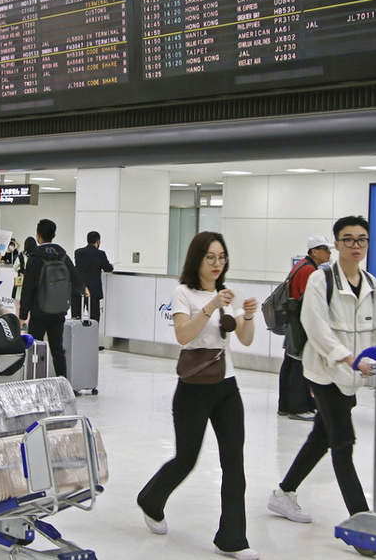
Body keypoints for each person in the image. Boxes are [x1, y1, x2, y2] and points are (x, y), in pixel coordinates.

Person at [268, 215, 376, 524]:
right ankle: (361, 517)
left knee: (321, 437)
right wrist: (346, 357)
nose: (356, 245)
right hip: (325, 371)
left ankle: (283, 494)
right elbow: (315, 326)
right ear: (336, 244)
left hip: (352, 375)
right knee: (343, 441)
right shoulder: (320, 280)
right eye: (348, 239)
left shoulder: (370, 283)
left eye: (361, 239)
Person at [137, 231, 260, 560]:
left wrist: (247, 315)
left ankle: (232, 537)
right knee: (186, 459)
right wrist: (209, 306)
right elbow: (183, 335)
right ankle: (151, 499)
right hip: (193, 388)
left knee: (234, 462)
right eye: (211, 257)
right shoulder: (183, 293)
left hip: (227, 387)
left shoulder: (224, 294)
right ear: (197, 260)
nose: (218, 263)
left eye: (222, 257)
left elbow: (244, 340)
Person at [19, 219, 84, 378]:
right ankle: (63, 382)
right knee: (57, 349)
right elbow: (76, 279)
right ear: (54, 235)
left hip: (38, 310)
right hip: (58, 311)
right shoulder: (62, 256)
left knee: (35, 347)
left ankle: (34, 381)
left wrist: (23, 314)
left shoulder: (34, 258)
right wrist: (81, 291)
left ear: (38, 236)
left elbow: (28, 287)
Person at [277, 235, 332, 421]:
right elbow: (311, 300)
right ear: (314, 251)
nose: (329, 253)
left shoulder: (300, 266)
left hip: (292, 321)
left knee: (290, 363)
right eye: (325, 249)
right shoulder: (309, 270)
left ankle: (285, 406)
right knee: (300, 363)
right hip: (300, 323)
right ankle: (297, 407)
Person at [72, 231, 114, 325]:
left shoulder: (78, 252)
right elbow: (108, 268)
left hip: (79, 288)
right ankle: (91, 337)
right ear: (98, 241)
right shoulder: (100, 254)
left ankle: (76, 337)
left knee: (76, 317)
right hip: (93, 290)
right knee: (94, 318)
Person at [12, 236, 36, 300]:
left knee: (19, 306)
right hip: (34, 285)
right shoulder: (37, 257)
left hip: (21, 284)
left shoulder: (21, 256)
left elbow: (15, 267)